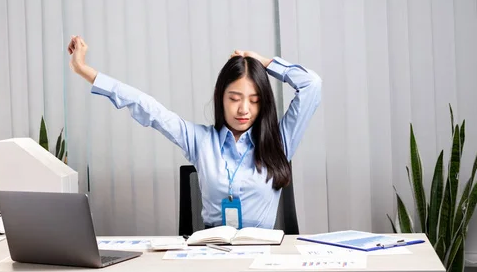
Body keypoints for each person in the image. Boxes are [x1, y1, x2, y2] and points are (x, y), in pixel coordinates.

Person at [67, 35, 321, 229]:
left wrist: (264, 62)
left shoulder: (280, 141)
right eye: (234, 98)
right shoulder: (200, 140)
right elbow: (148, 108)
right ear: (221, 98)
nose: (244, 109)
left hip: (264, 260)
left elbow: (312, 85)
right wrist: (84, 70)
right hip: (211, 256)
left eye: (254, 100)